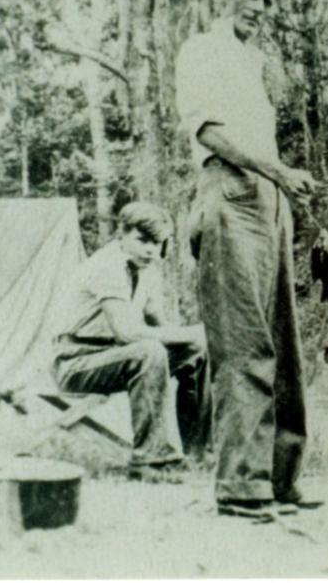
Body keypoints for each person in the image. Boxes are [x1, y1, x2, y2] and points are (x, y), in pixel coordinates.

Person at [176, 0, 319, 519]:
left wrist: (283, 182)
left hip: (269, 199)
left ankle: (280, 478)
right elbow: (209, 131)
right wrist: (278, 171)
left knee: (283, 342)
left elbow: (256, 136)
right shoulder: (201, 51)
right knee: (242, 344)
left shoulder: (255, 61)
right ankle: (240, 485)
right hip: (231, 192)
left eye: (268, 2)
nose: (258, 9)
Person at [52, 202, 209, 480]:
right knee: (148, 351)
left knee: (194, 350)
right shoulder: (107, 265)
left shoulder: (148, 269)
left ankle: (194, 454)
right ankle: (149, 460)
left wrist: (194, 338)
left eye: (157, 243)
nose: (150, 250)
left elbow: (161, 327)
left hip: (117, 356)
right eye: (142, 240)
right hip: (76, 361)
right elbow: (127, 332)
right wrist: (195, 331)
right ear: (121, 234)